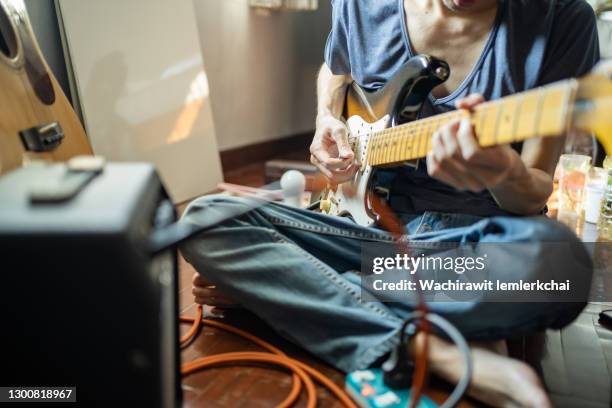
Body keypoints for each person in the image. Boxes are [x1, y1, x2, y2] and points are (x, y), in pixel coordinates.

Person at [181, 1, 599, 406]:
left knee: (561, 264)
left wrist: (504, 174)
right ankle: (431, 347)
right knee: (205, 218)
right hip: (370, 235)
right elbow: (336, 68)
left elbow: (534, 189)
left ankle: (299, 286)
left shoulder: (562, 17)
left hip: (469, 249)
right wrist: (326, 118)